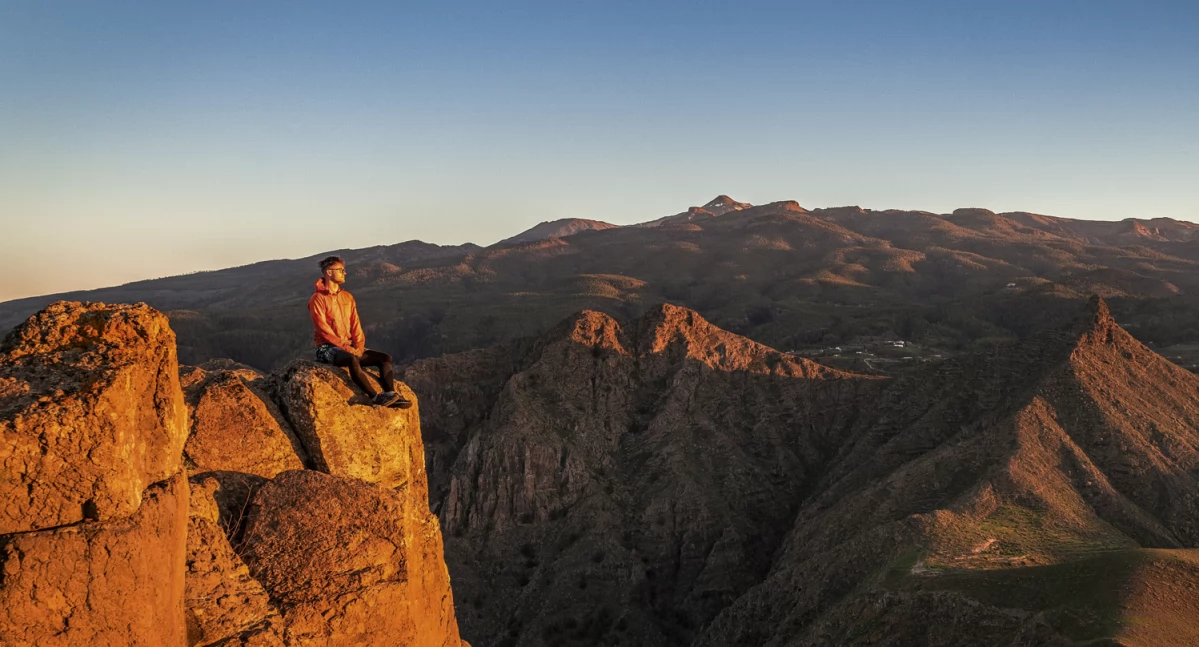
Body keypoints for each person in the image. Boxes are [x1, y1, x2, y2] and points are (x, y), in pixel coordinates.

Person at [307, 256, 411, 408]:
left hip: (349, 346)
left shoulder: (347, 297)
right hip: (326, 347)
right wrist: (348, 349)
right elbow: (323, 330)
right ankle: (375, 397)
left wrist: (359, 346)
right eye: (340, 270)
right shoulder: (317, 299)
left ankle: (390, 394)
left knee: (384, 358)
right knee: (351, 359)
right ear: (329, 272)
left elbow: (356, 325)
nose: (344, 273)